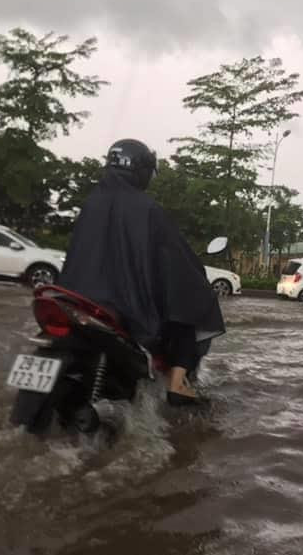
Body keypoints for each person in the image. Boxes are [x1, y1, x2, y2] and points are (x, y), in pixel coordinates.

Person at [58, 138, 225, 406]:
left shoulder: (91, 203)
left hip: (74, 299)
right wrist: (195, 277)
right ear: (141, 171)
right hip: (124, 307)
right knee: (192, 302)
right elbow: (176, 262)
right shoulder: (147, 209)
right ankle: (176, 383)